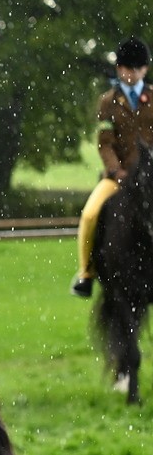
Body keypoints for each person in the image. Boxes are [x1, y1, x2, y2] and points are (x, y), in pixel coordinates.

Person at [71, 36, 153, 298]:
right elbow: (104, 142)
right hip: (118, 176)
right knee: (90, 215)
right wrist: (116, 169)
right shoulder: (107, 102)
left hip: (150, 176)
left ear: (144, 70)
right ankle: (86, 273)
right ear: (119, 69)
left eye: (136, 68)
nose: (131, 73)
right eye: (127, 68)